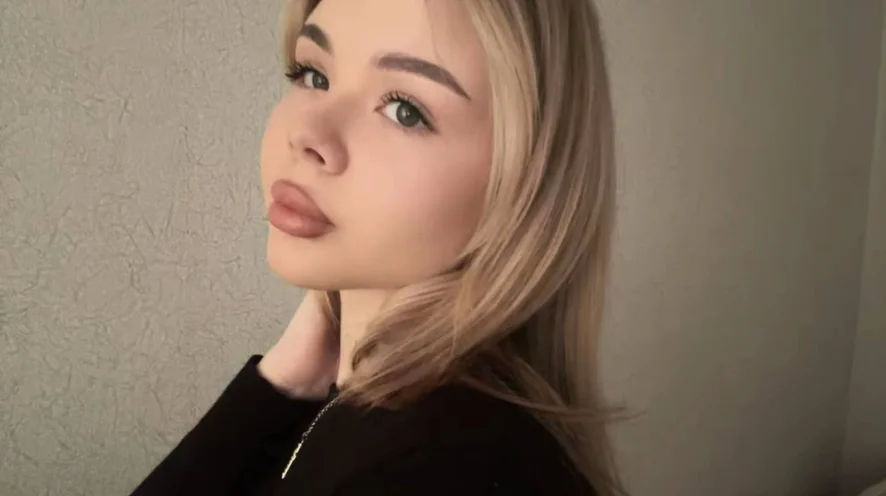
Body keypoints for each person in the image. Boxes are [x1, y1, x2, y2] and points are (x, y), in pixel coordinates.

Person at [130, 0, 623, 494]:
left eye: (404, 111)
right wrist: (282, 383)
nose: (307, 134)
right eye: (313, 75)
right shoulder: (352, 408)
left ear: (527, 183)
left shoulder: (445, 470)